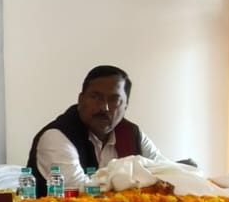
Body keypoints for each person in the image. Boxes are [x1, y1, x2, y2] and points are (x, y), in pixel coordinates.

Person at [27, 65, 163, 195]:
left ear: (126, 106)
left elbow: (166, 172)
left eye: (114, 100)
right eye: (95, 97)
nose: (104, 107)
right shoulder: (57, 136)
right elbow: (80, 190)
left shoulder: (132, 134)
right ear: (81, 100)